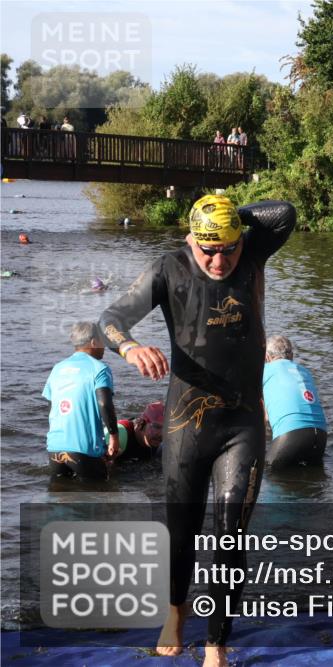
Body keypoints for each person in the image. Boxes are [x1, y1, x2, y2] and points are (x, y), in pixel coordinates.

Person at [99, 194, 294, 667]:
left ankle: (216, 644)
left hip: (241, 423)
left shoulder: (253, 252)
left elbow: (284, 212)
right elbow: (110, 319)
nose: (219, 259)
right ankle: (175, 612)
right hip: (186, 422)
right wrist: (130, 349)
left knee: (231, 536)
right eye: (208, 248)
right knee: (180, 533)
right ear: (191, 240)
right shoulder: (170, 269)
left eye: (227, 247)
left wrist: (230, 215)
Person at [43, 322, 120, 481]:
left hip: (55, 448)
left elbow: (52, 408)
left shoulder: (57, 368)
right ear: (93, 342)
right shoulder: (99, 368)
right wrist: (114, 437)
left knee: (60, 499)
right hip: (84, 449)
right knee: (98, 497)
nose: (104, 347)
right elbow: (104, 404)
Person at [262, 335, 328, 468]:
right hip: (321, 437)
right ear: (291, 356)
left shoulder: (265, 371)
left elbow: (264, 418)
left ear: (266, 358)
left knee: (267, 473)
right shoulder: (305, 372)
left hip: (291, 437)